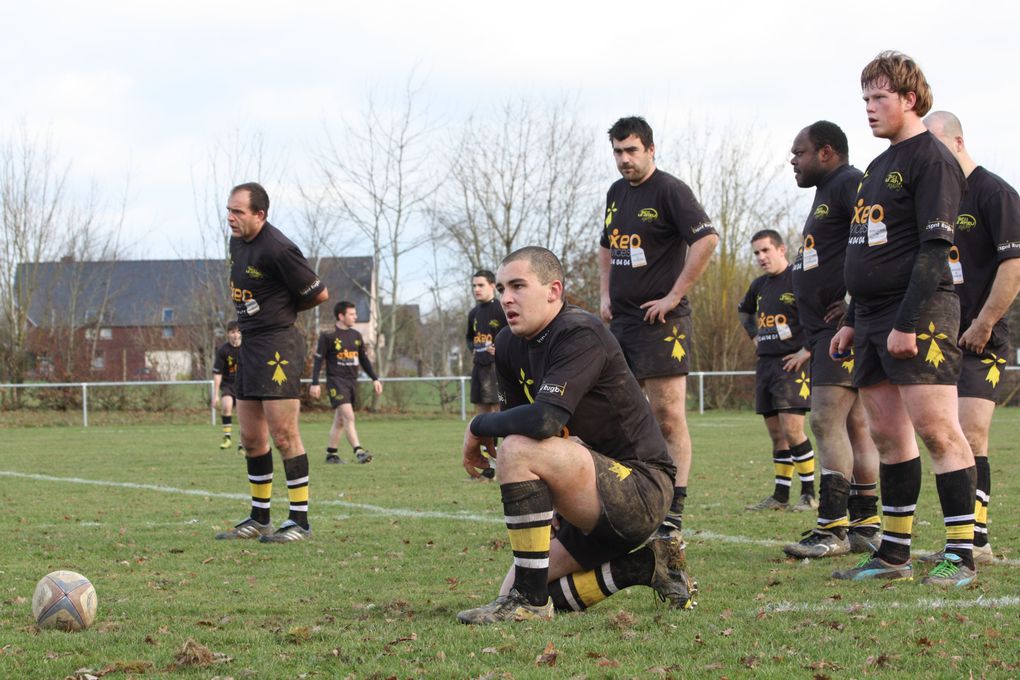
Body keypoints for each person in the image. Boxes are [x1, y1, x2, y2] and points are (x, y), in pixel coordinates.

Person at [457, 246, 695, 625]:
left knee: (517, 449)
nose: (506, 298)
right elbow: (519, 418)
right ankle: (641, 567)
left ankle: (529, 604)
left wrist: (475, 427)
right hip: (586, 492)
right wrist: (550, 506)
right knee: (519, 583)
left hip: (639, 487)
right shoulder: (506, 344)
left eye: (518, 286)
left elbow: (544, 421)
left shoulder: (579, 331)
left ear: (554, 290)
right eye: (502, 288)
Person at [830, 52, 976, 586]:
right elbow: (863, 249)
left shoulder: (930, 159)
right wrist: (850, 318)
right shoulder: (876, 166)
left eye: (879, 98)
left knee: (938, 430)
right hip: (868, 318)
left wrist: (908, 322)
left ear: (909, 99)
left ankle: (961, 554)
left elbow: (936, 248)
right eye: (864, 99)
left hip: (918, 313)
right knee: (888, 435)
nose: (868, 109)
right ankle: (893, 554)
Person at [599, 116, 719, 552]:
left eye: (631, 150)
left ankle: (672, 515)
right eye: (617, 151)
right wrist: (605, 295)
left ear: (650, 149)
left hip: (663, 323)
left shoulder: (671, 190)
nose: (624, 160)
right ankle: (632, 502)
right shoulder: (615, 193)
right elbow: (607, 246)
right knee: (622, 414)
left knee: (667, 416)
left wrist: (673, 295)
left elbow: (706, 240)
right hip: (622, 323)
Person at [919, 110, 1020, 565]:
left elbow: (1014, 267)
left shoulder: (994, 192)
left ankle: (977, 542)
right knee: (945, 433)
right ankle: (962, 537)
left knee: (971, 432)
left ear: (957, 143)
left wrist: (984, 323)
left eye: (935, 145)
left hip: (985, 336)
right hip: (943, 336)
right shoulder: (937, 198)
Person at [781, 122, 882, 559]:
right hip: (825, 330)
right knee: (855, 424)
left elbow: (876, 242)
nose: (793, 161)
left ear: (825, 152)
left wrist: (853, 304)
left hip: (838, 330)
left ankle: (832, 528)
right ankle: (865, 525)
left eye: (798, 153)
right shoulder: (828, 191)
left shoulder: (849, 184)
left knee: (823, 419)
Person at [215, 182, 328, 543]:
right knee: (251, 438)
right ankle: (259, 518)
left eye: (239, 212)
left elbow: (318, 293)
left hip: (277, 344)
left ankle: (300, 521)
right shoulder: (236, 242)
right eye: (229, 210)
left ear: (260, 214)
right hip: (248, 346)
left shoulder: (278, 248)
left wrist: (282, 309)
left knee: (284, 435)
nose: (231, 217)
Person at [737, 230, 816, 512]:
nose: (761, 257)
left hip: (791, 364)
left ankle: (809, 494)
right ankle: (780, 496)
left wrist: (807, 350)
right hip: (766, 364)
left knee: (793, 430)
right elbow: (744, 311)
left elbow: (825, 313)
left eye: (765, 251)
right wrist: (753, 335)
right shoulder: (759, 285)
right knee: (776, 434)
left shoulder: (800, 278)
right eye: (756, 253)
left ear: (781, 250)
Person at [309, 301, 383, 465]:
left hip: (351, 382)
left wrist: (375, 378)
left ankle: (331, 455)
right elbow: (318, 360)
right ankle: (359, 451)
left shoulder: (356, 336)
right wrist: (314, 382)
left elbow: (363, 359)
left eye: (355, 314)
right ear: (341, 316)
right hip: (336, 381)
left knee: (340, 421)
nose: (355, 317)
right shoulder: (328, 336)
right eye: (351, 314)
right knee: (349, 416)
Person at [465, 269, 507, 479]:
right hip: (479, 368)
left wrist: (500, 347)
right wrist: (473, 346)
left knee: (496, 415)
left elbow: (513, 333)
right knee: (480, 416)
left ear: (492, 286)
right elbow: (469, 338)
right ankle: (485, 463)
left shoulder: (501, 309)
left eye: (480, 285)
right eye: (474, 286)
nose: (476, 289)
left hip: (496, 369)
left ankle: (500, 460)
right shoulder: (474, 313)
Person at [211, 321, 242, 450]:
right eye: (233, 332)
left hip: (244, 384)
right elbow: (217, 373)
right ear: (228, 334)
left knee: (243, 414)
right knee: (226, 405)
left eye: (238, 332)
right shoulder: (223, 350)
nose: (235, 335)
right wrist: (215, 395)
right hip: (228, 384)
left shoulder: (247, 347)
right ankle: (227, 438)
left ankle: (242, 443)